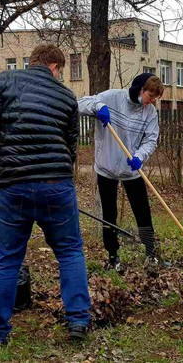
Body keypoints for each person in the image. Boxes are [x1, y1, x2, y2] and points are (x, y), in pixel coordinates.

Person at [0, 44, 91, 346]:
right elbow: (71, 147)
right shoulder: (68, 97)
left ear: (32, 63)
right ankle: (78, 322)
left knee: (7, 259)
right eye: (61, 71)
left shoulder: (2, 82)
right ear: (54, 66)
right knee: (70, 252)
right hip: (57, 186)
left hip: (14, 186)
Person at [77, 73, 164, 274]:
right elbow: (81, 103)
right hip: (106, 168)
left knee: (143, 212)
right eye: (150, 96)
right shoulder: (112, 97)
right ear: (140, 90)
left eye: (154, 99)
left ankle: (151, 253)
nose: (152, 102)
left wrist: (140, 156)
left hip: (131, 170)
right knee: (109, 214)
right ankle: (113, 256)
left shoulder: (149, 112)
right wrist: (98, 107)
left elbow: (151, 139)